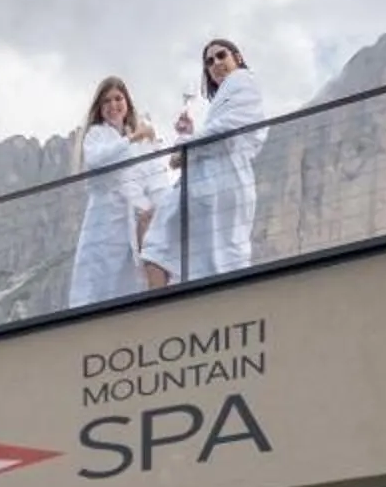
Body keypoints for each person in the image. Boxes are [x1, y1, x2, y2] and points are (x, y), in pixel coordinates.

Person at [140, 37, 266, 289]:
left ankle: (158, 310)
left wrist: (185, 146)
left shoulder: (242, 82)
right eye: (209, 61)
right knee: (199, 252)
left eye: (222, 56)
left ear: (237, 58)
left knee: (160, 243)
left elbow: (229, 128)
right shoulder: (227, 95)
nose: (216, 63)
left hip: (223, 182)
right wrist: (188, 135)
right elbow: (217, 134)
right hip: (212, 184)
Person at [68, 76, 160, 308]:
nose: (113, 105)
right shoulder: (96, 135)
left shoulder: (137, 136)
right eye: (106, 101)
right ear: (99, 108)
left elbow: (151, 174)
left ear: (127, 101)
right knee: (100, 277)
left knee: (129, 278)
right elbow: (97, 160)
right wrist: (131, 140)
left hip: (132, 220)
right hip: (105, 220)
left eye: (118, 98)